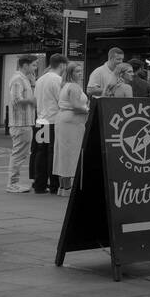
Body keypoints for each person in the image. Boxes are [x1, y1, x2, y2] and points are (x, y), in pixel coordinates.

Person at [31, 53, 66, 195]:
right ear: (62, 65)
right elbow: (62, 101)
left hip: (41, 120)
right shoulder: (57, 80)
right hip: (53, 121)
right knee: (53, 153)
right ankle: (54, 185)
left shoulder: (40, 80)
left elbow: (35, 100)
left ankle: (39, 184)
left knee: (41, 152)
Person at [54, 62, 89, 197]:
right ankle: (68, 188)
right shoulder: (74, 86)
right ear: (71, 73)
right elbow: (76, 105)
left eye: (81, 71)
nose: (80, 74)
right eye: (77, 72)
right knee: (71, 153)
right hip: (72, 121)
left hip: (63, 119)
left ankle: (62, 187)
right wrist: (88, 110)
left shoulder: (65, 85)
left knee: (62, 153)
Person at [5, 55, 37, 193]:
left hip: (25, 122)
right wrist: (31, 101)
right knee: (18, 154)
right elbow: (16, 99)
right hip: (20, 123)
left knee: (21, 154)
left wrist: (33, 83)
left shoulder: (24, 79)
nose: (35, 68)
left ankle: (14, 182)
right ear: (25, 65)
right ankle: (12, 184)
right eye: (34, 65)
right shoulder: (18, 79)